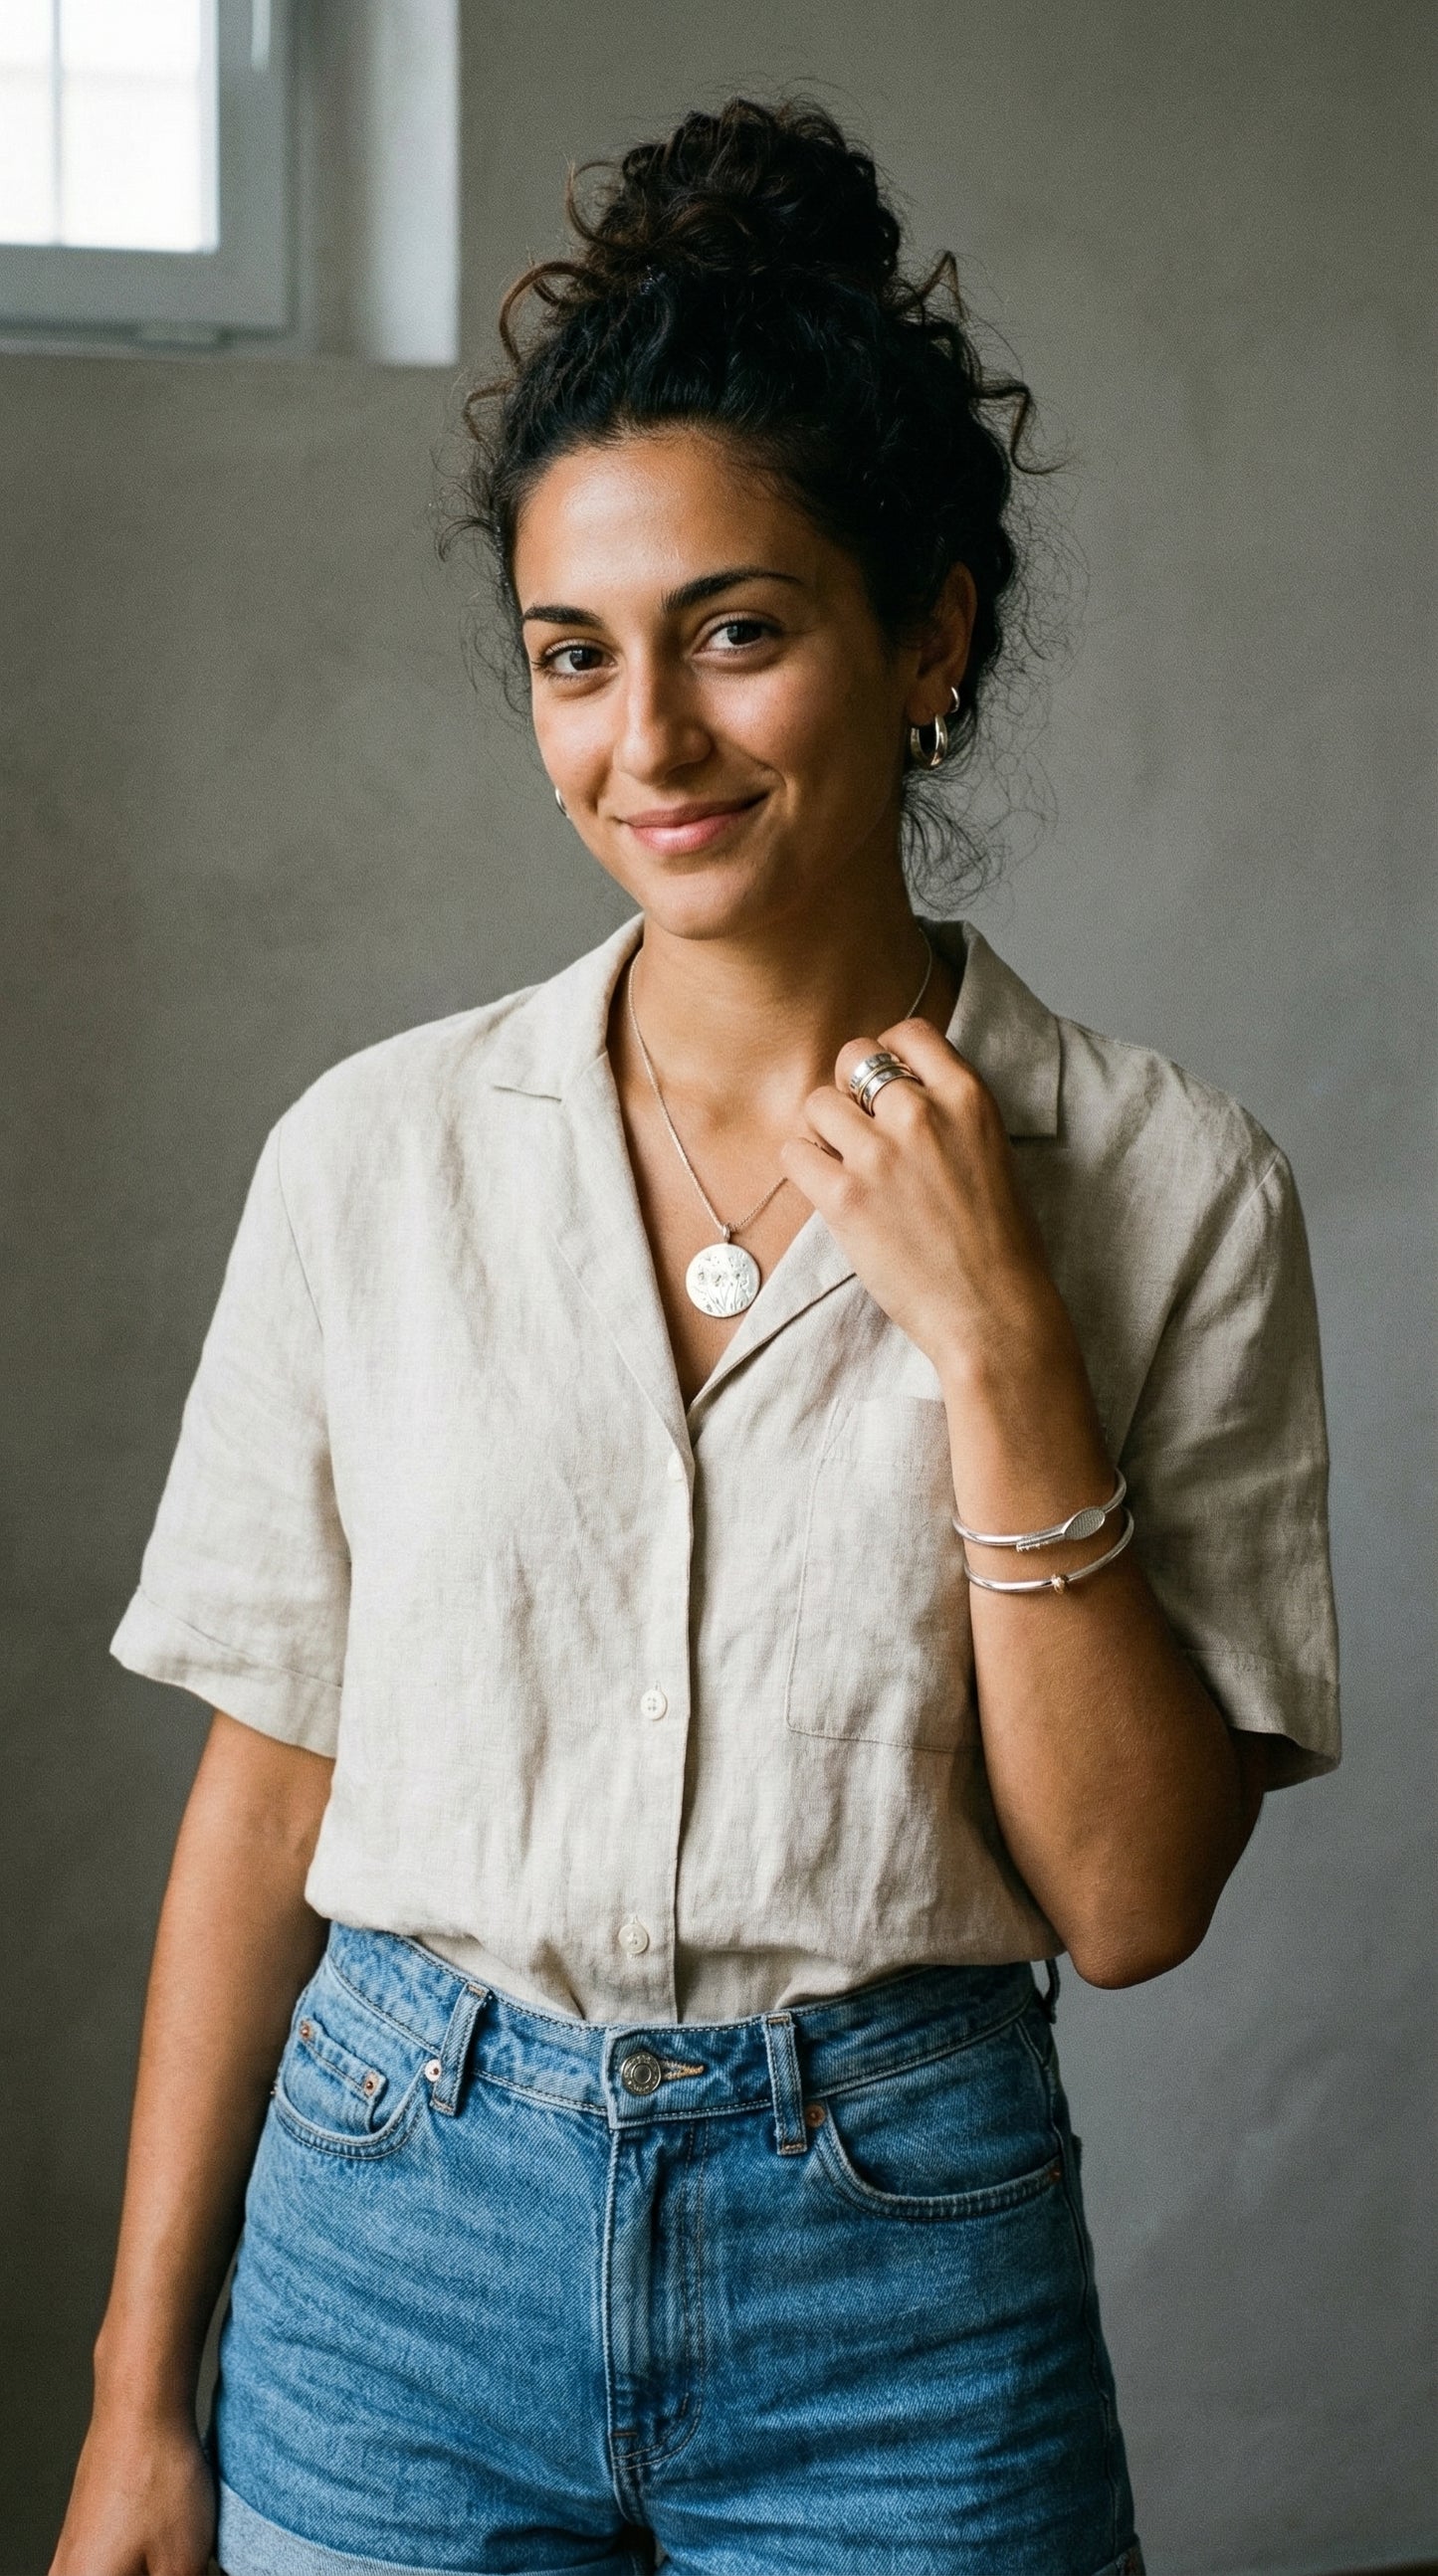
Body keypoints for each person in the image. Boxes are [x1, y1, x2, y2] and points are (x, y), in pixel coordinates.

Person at [54, 97, 1339, 2576]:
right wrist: (141, 2395)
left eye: (734, 631)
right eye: (572, 657)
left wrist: (1002, 1344)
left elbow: (1137, 1895)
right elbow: (266, 1795)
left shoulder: (1171, 1182)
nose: (644, 742)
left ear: (929, 633)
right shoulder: (373, 1154)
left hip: (902, 2278)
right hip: (387, 2244)